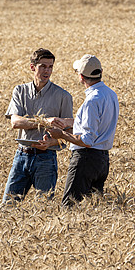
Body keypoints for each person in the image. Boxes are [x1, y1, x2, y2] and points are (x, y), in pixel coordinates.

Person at [2, 48, 73, 205]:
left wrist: (50, 143)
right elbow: (15, 122)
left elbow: (69, 133)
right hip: (21, 156)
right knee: (7, 208)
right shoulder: (20, 91)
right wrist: (45, 122)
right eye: (43, 66)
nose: (47, 71)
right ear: (32, 67)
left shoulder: (63, 96)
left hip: (46, 158)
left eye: (50, 67)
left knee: (44, 209)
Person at [46, 54, 119, 207]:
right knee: (93, 208)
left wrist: (62, 135)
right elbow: (97, 123)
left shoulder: (92, 101)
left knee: (69, 207)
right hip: (103, 161)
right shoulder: (110, 94)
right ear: (100, 72)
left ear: (80, 77)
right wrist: (68, 122)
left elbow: (87, 140)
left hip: (85, 160)